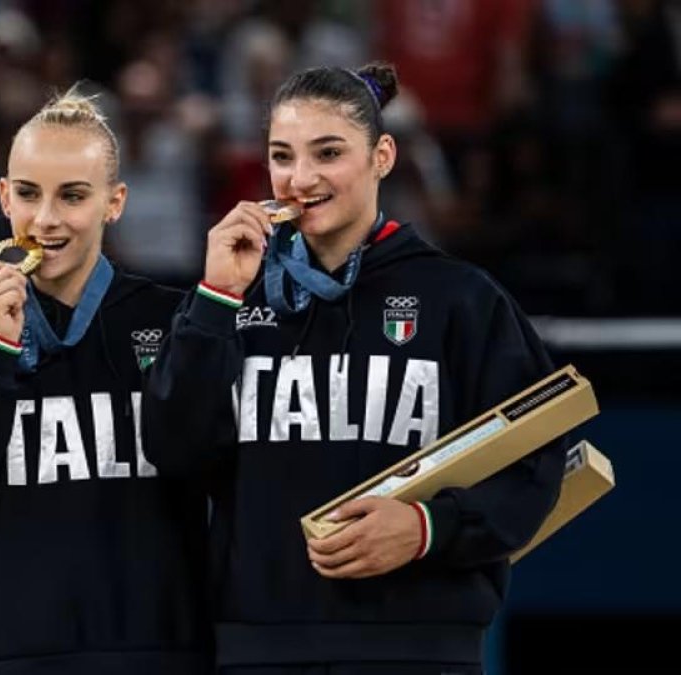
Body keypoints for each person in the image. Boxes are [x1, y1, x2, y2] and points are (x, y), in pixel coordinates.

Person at [142, 63, 566, 674]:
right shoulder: (230, 299)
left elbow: (535, 460)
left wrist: (429, 526)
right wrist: (213, 301)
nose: (301, 178)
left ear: (383, 155)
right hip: (261, 649)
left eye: (329, 152)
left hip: (420, 649)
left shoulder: (460, 299)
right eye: (281, 156)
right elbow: (174, 449)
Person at [0, 87, 212, 675]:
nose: (46, 219)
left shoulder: (176, 320)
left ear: (115, 202)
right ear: (4, 196)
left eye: (73, 196)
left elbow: (214, 462)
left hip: (158, 648)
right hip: (9, 649)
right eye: (28, 194)